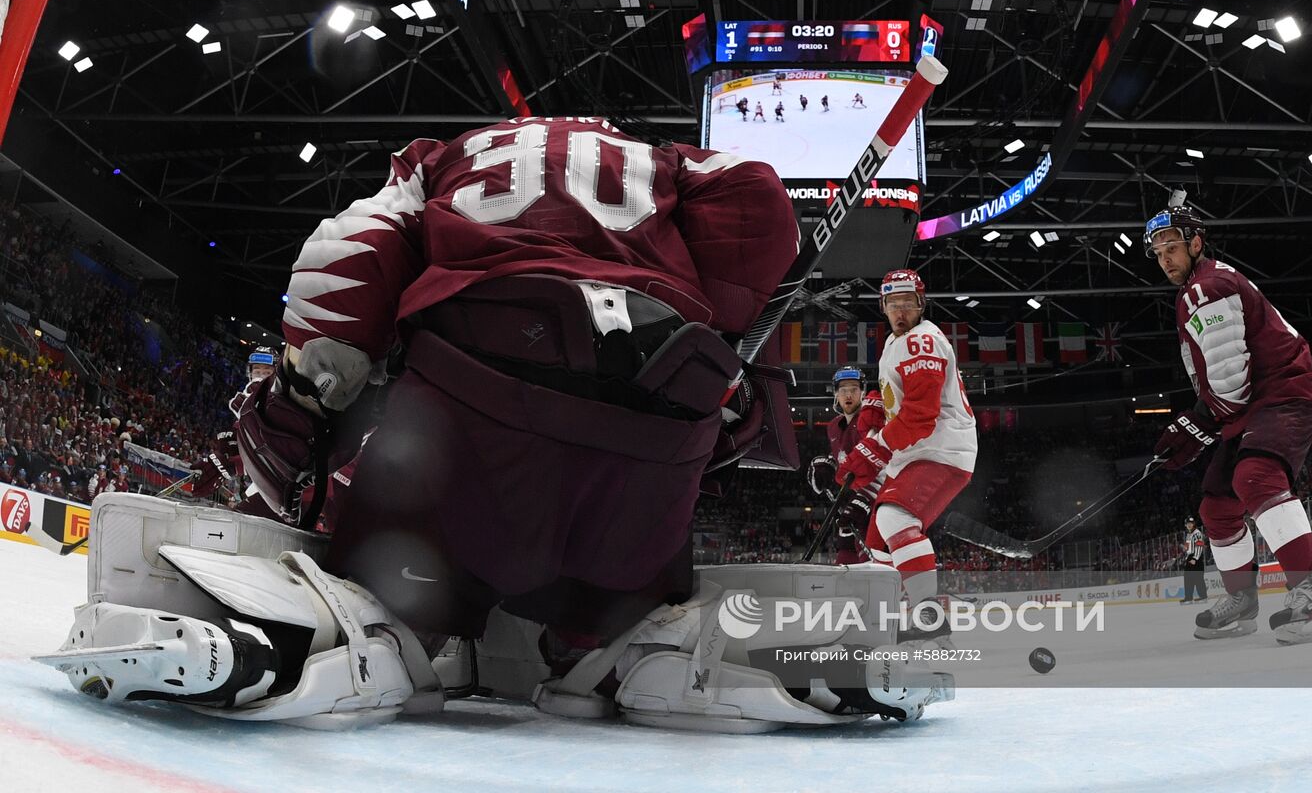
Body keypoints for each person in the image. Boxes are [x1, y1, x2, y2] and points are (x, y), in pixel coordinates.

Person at [46, 116, 953, 730]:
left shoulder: (441, 158)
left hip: (474, 415)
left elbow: (343, 265)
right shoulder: (674, 167)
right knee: (625, 618)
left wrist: (309, 394)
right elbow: (761, 218)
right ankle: (673, 658)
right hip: (647, 448)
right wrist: (707, 339)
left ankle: (312, 642)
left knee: (400, 602)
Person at [1145, 203, 1312, 645]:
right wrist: (1198, 425)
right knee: (1217, 504)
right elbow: (1223, 385)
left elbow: (1230, 383)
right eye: (1158, 253)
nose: (1165, 260)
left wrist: (1195, 424)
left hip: (1282, 392)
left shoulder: (1206, 288)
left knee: (1255, 476)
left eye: (1172, 247)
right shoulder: (1198, 287)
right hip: (1255, 403)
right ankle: (1243, 604)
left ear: (1196, 243)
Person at [835, 269, 977, 635]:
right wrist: (873, 416)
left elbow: (920, 415)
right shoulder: (895, 345)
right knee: (877, 538)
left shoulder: (922, 341)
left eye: (908, 304)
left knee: (896, 518)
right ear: (884, 307)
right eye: (893, 304)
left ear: (920, 305)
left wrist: (873, 450)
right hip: (916, 453)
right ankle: (885, 622)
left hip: (942, 450)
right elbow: (897, 402)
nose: (901, 312)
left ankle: (929, 620)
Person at [808, 366, 884, 564]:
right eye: (842, 389)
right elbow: (844, 458)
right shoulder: (833, 426)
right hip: (848, 501)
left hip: (875, 503)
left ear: (863, 392)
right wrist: (826, 466)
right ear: (835, 393)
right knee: (844, 550)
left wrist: (865, 501)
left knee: (872, 557)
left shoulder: (872, 420)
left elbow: (884, 461)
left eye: (854, 389)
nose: (848, 394)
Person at [1180, 515, 1207, 604]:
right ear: (1185, 525)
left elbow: (1199, 546)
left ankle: (1203, 597)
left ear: (1194, 524)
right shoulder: (1189, 535)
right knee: (1188, 578)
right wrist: (1184, 548)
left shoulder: (1197, 533)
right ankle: (1188, 598)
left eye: (1191, 523)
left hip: (1196, 557)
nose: (1189, 525)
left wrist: (1195, 558)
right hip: (1190, 557)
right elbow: (1188, 547)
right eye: (1188, 523)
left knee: (1198, 578)